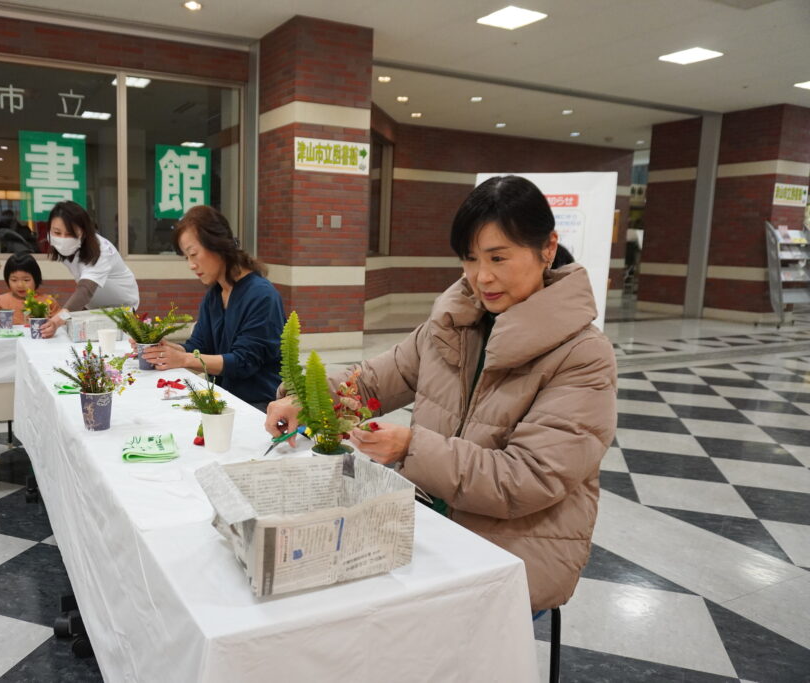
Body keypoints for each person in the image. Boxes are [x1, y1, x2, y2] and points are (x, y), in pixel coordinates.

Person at [265, 175, 617, 612]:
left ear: (547, 248)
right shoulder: (453, 324)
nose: (482, 277)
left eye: (498, 258)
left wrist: (412, 447)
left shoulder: (583, 355)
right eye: (469, 259)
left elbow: (527, 479)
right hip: (426, 521)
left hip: (516, 548)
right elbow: (373, 382)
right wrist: (311, 395)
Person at [142, 205, 285, 411]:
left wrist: (182, 359)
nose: (191, 265)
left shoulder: (262, 295)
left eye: (193, 254)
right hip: (224, 399)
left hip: (259, 407)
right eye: (186, 258)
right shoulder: (215, 295)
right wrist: (166, 348)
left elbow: (243, 362)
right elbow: (199, 347)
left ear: (218, 246)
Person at [39, 201, 139, 338]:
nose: (62, 238)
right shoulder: (68, 249)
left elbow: (85, 290)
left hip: (122, 310)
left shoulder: (102, 251)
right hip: (94, 308)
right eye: (57, 232)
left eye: (70, 234)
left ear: (84, 231)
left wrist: (59, 319)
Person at [0, 253, 54, 326]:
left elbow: (60, 323)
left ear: (36, 279)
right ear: (7, 280)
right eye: (14, 280)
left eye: (26, 280)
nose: (20, 285)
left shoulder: (48, 301)